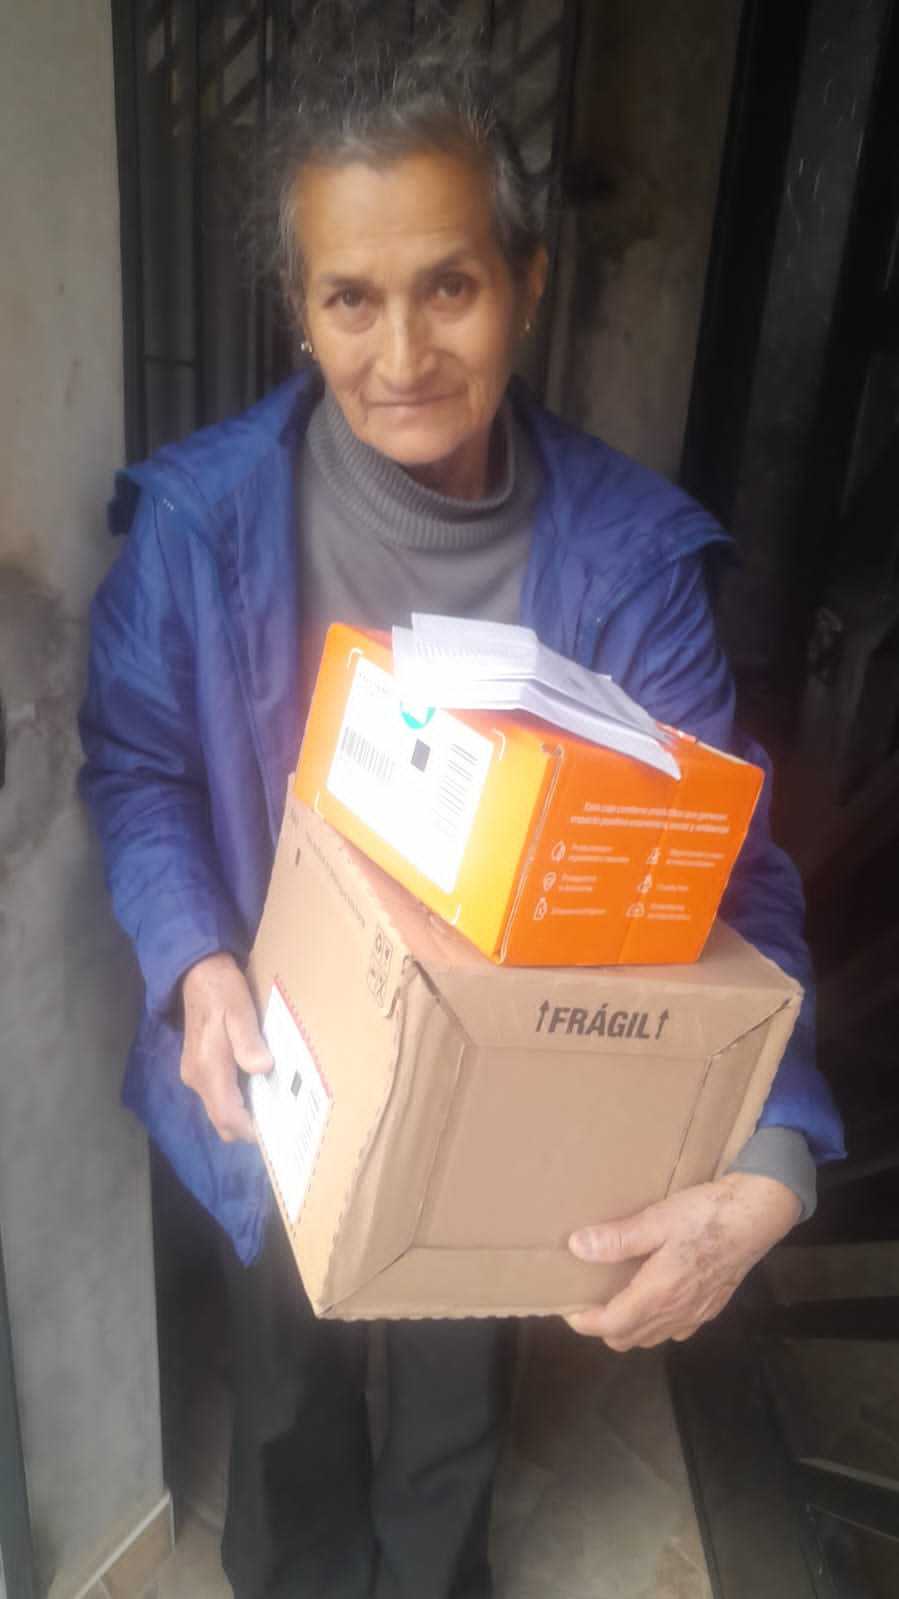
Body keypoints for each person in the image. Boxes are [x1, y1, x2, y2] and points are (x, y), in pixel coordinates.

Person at [79, 24, 844, 1599]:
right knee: (284, 1390)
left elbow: (725, 878)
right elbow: (140, 766)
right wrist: (194, 962)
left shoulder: (629, 567)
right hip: (277, 1081)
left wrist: (778, 1148)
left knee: (451, 1400)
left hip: (504, 1096)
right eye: (349, 298)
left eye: (451, 286)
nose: (402, 353)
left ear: (529, 284)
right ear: (298, 309)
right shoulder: (200, 528)